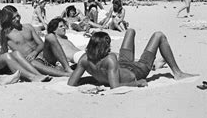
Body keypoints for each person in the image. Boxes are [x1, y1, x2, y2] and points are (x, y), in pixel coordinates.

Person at [68, 29, 197, 89]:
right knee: (159, 35)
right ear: (102, 47)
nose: (109, 48)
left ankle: (159, 63)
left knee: (130, 31)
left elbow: (71, 83)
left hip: (122, 64)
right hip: (138, 70)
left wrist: (95, 79)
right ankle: (177, 73)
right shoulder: (110, 59)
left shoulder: (84, 59)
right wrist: (136, 83)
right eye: (107, 46)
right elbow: (115, 86)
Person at [0, 5, 71, 77]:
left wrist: (35, 52)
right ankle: (65, 74)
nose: (17, 19)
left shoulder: (28, 27)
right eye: (13, 18)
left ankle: (68, 68)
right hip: (31, 62)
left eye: (17, 15)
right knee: (32, 62)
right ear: (7, 19)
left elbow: (41, 44)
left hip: (44, 56)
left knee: (50, 36)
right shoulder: (5, 34)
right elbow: (4, 52)